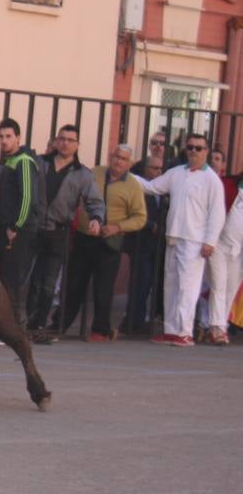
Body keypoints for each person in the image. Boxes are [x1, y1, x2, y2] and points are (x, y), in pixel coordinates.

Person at [136, 132, 226, 347]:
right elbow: (152, 187)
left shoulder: (211, 180)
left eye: (198, 148)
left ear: (206, 151)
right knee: (171, 284)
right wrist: (129, 176)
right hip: (174, 237)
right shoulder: (176, 173)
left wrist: (209, 241)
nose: (193, 151)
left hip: (195, 241)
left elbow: (217, 213)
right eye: (191, 147)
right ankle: (171, 329)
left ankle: (184, 332)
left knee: (188, 287)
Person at [58, 144, 146, 342]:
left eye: (123, 159)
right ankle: (59, 325)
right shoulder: (94, 173)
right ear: (110, 156)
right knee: (73, 285)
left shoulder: (133, 185)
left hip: (109, 242)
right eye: (116, 156)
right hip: (84, 237)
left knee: (103, 288)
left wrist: (118, 227)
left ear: (129, 164)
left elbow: (140, 217)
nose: (118, 161)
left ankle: (100, 330)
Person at [25, 124, 104, 343]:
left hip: (57, 232)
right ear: (56, 141)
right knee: (31, 279)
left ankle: (40, 325)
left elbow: (94, 201)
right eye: (62, 138)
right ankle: (26, 325)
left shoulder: (82, 174)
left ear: (77, 145)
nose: (65, 143)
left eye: (70, 140)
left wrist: (97, 219)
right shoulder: (40, 163)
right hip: (33, 228)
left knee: (49, 282)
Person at [0, 118, 45, 326]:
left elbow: (28, 198)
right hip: (6, 226)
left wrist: (16, 226)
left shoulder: (24, 161)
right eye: (0, 137)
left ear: (18, 138)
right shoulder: (8, 161)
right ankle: (5, 323)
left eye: (8, 136)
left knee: (12, 279)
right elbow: (9, 196)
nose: (4, 141)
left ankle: (12, 326)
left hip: (18, 230)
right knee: (4, 276)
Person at [123, 153, 167, 336]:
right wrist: (151, 225)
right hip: (142, 242)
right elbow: (131, 211)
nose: (159, 172)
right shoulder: (138, 187)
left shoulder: (164, 190)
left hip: (160, 246)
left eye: (161, 169)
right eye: (155, 168)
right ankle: (133, 321)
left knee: (155, 284)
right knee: (140, 283)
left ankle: (150, 319)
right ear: (145, 169)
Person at [206, 191, 243, 344]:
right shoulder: (232, 187)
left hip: (239, 250)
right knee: (218, 285)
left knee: (231, 289)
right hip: (219, 245)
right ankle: (217, 328)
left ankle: (222, 325)